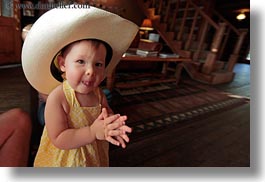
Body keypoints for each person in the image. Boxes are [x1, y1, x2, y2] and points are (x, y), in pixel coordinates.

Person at [21, 5, 138, 167]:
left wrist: (112, 125)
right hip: (64, 161)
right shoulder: (59, 97)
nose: (90, 71)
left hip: (91, 156)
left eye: (98, 64)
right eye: (81, 62)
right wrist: (92, 132)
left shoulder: (99, 94)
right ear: (63, 64)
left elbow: (105, 113)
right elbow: (59, 138)